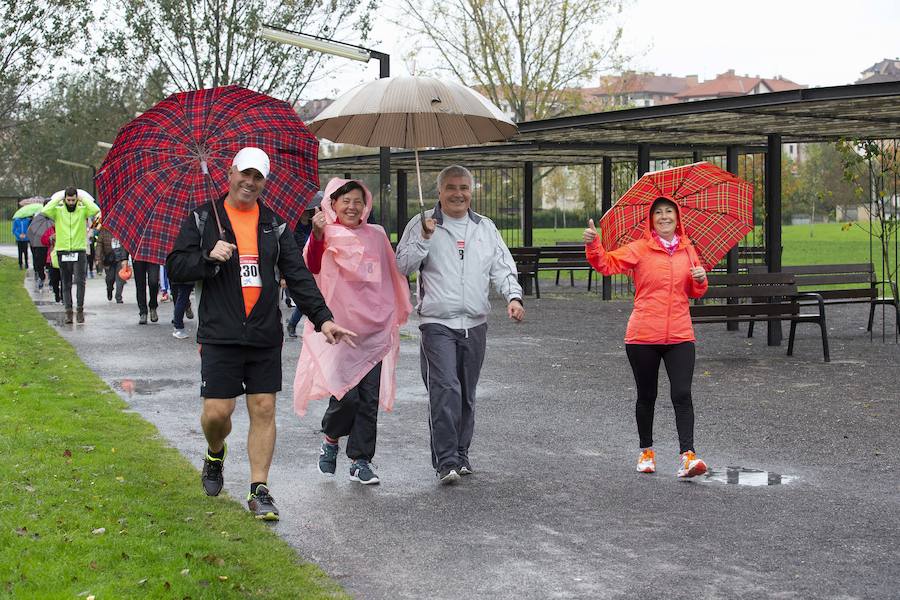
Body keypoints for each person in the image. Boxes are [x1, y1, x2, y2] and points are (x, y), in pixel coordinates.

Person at [166, 147, 357, 520]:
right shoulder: (204, 218)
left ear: (264, 182)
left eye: (258, 177)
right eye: (246, 174)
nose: (250, 182)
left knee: (264, 408)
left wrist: (323, 319)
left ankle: (259, 489)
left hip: (264, 333)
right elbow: (176, 266)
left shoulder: (274, 224)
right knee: (217, 414)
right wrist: (207, 257)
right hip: (220, 334)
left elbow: (298, 275)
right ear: (230, 173)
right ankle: (215, 452)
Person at [396, 165, 525, 484]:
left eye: (464, 187)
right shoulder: (422, 223)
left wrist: (513, 297)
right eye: (451, 187)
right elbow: (402, 265)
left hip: (475, 323)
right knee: (445, 389)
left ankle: (461, 453)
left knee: (466, 392)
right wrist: (424, 238)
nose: (458, 193)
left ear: (471, 191)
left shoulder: (485, 227)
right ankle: (446, 460)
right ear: (439, 191)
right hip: (437, 323)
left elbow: (502, 266)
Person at [293, 179, 412, 485]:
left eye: (358, 201)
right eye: (345, 201)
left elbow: (392, 273)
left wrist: (393, 311)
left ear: (366, 205)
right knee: (347, 396)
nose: (352, 206)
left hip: (373, 331)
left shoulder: (377, 235)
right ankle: (331, 439)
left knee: (368, 399)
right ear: (332, 204)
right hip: (337, 331)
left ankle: (361, 461)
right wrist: (317, 236)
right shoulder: (325, 233)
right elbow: (311, 268)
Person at [582, 197, 709, 478]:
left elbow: (694, 290)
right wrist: (594, 244)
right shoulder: (639, 249)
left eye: (669, 211)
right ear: (651, 220)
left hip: (680, 334)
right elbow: (606, 264)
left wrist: (700, 280)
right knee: (647, 395)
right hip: (643, 336)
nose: (664, 216)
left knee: (682, 394)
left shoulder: (688, 250)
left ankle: (688, 457)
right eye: (658, 212)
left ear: (678, 218)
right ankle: (646, 452)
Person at [40, 187, 101, 324]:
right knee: (66, 283)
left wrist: (82, 199)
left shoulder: (82, 210)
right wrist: (58, 199)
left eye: (73, 200)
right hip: (63, 250)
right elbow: (45, 210)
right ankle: (68, 311)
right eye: (69, 200)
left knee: (80, 282)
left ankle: (79, 310)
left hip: (79, 250)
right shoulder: (58, 210)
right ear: (65, 199)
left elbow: (95, 210)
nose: (71, 203)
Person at [285, 191, 320, 338]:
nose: (306, 213)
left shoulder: (314, 225)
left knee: (313, 296)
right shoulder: (294, 228)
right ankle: (293, 324)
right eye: (303, 211)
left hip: (315, 263)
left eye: (308, 211)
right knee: (307, 297)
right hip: (301, 266)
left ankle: (315, 325)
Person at [94, 223, 128, 303]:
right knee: (110, 278)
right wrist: (98, 258)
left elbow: (126, 244)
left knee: (120, 278)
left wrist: (125, 258)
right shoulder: (103, 230)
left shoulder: (122, 229)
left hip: (120, 258)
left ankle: (118, 297)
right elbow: (99, 244)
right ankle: (109, 289)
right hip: (108, 259)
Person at [27, 210, 53, 291]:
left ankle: (51, 281)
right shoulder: (37, 220)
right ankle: (42, 277)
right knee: (40, 264)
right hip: (39, 244)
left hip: (51, 245)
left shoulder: (54, 218)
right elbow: (31, 231)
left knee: (51, 264)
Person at [133, 258, 160, 325]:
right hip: (137, 256)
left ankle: (153, 306)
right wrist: (124, 258)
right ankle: (143, 312)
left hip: (153, 254)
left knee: (154, 282)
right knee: (140, 284)